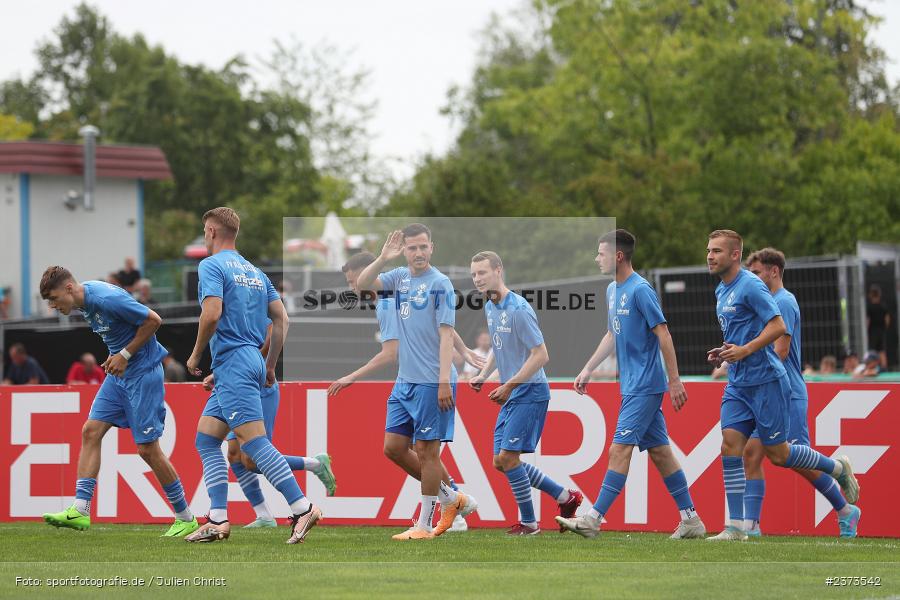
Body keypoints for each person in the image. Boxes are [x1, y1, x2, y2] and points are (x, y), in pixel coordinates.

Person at [705, 230, 859, 541]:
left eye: (717, 251)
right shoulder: (723, 290)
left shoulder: (759, 290)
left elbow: (779, 330)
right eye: (708, 250)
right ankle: (739, 527)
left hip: (774, 385)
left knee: (783, 456)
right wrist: (726, 355)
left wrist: (746, 351)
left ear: (734, 255)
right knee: (734, 448)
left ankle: (838, 477)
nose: (709, 256)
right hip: (741, 384)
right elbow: (742, 335)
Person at [557, 229, 705, 540]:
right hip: (632, 385)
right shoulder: (612, 290)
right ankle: (691, 519)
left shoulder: (641, 290)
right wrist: (587, 368)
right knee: (661, 453)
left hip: (645, 386)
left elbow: (663, 334)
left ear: (618, 256)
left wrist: (674, 381)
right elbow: (612, 334)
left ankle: (594, 518)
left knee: (618, 449)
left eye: (601, 253)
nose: (597, 258)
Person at [184, 207, 320, 544]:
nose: (205, 235)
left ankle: (302, 507)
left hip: (232, 361)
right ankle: (217, 519)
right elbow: (282, 320)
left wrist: (196, 354)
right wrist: (270, 365)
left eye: (205, 230)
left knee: (254, 445)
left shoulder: (210, 265)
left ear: (212, 232)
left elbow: (211, 314)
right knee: (206, 438)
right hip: (247, 362)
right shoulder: (255, 272)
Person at [328, 251, 482, 533]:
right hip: (408, 380)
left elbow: (390, 353)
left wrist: (352, 376)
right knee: (397, 448)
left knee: (425, 452)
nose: (354, 288)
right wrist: (464, 349)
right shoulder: (394, 297)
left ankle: (449, 511)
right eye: (351, 284)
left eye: (354, 282)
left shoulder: (388, 301)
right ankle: (455, 500)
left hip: (429, 379)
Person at [37, 266, 197, 536]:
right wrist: (118, 356)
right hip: (118, 377)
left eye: (53, 299)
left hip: (143, 374)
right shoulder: (84, 301)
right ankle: (80, 509)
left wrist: (123, 354)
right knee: (90, 431)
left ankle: (186, 517)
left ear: (68, 288)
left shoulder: (105, 298)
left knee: (148, 450)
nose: (52, 306)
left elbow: (154, 320)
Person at [468, 251, 583, 535]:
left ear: (498, 271)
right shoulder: (491, 307)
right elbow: (499, 346)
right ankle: (566, 497)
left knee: (508, 459)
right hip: (514, 393)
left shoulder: (518, 308)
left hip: (530, 392)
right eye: (474, 275)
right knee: (501, 461)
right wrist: (484, 375)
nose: (478, 279)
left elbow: (541, 355)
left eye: (483, 272)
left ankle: (530, 524)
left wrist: (509, 384)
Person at [866, 285, 890, 369]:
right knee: (882, 350)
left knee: (872, 350)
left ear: (871, 295)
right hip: (881, 331)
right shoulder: (883, 306)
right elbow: (887, 319)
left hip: (873, 331)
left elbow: (868, 320)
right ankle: (884, 367)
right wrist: (884, 328)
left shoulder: (870, 307)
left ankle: (871, 367)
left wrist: (867, 329)